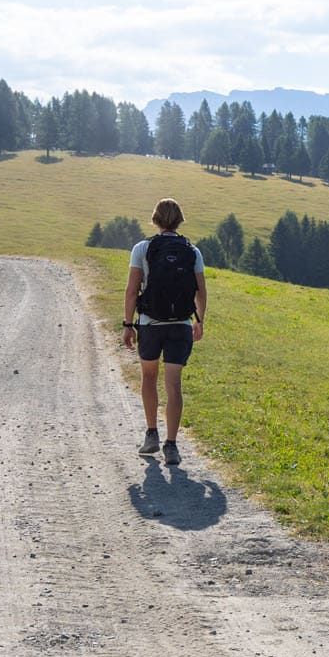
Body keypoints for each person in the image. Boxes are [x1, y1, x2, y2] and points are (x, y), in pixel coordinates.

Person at [122, 198, 207, 466]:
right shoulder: (192, 251)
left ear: (155, 219)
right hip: (180, 326)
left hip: (150, 324)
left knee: (149, 377)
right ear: (180, 219)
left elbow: (132, 290)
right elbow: (201, 292)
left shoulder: (142, 248)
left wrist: (128, 324)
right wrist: (199, 320)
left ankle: (151, 435)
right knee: (174, 385)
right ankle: (172, 445)